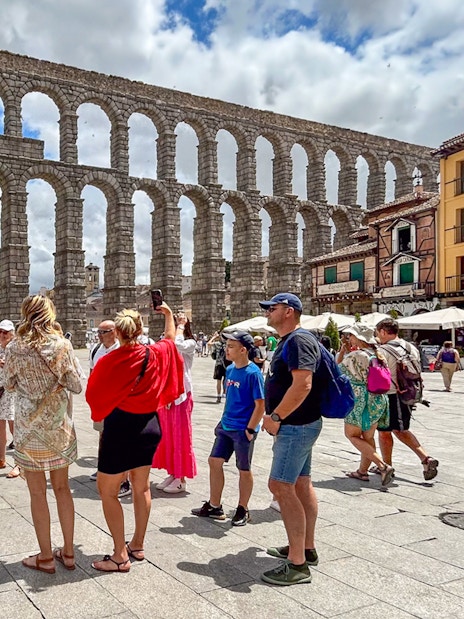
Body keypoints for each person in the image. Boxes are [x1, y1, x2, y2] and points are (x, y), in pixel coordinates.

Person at [86, 305, 184, 572]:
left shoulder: (109, 360)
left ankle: (119, 555)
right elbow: (170, 340)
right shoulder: (154, 353)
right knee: (142, 488)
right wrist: (167, 316)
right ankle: (138, 544)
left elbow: (93, 394)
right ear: (140, 331)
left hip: (120, 427)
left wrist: (106, 407)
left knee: (107, 491)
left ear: (117, 332)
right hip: (149, 425)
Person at [3, 295, 83, 574]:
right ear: (50, 314)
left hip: (27, 431)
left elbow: (9, 385)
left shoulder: (13, 347)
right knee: (62, 489)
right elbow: (75, 385)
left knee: (37, 493)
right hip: (58, 427)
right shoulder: (62, 345)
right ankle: (70, 553)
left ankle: (46, 556)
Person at [259, 292, 322, 586]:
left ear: (288, 311)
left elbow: (303, 384)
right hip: (300, 424)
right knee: (300, 483)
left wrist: (276, 417)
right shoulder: (291, 341)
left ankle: (297, 565)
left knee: (280, 486)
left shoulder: (298, 340)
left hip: (295, 425)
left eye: (272, 308)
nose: (267, 312)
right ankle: (305, 549)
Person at [191, 330, 264, 526]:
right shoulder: (230, 369)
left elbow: (260, 404)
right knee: (214, 461)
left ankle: (243, 508)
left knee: (244, 469)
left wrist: (250, 429)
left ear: (243, 350)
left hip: (243, 429)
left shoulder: (253, 373)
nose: (226, 349)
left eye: (231, 346)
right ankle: (215, 505)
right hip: (226, 425)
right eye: (226, 345)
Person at [375, 318, 439, 481]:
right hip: (409, 393)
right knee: (400, 429)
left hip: (391, 395)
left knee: (385, 432)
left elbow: (381, 377)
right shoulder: (411, 347)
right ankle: (424, 459)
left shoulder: (383, 350)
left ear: (383, 331)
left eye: (378, 332)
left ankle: (387, 465)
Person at [337, 324, 394, 486]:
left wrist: (342, 352)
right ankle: (362, 471)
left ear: (359, 338)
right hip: (378, 399)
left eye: (352, 336)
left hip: (360, 399)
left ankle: (383, 466)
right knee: (368, 437)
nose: (349, 338)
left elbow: (337, 370)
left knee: (352, 435)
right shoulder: (378, 354)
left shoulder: (356, 355)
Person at [153, 314, 197, 493]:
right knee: (168, 437)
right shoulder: (171, 342)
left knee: (180, 436)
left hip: (182, 396)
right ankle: (173, 472)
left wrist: (178, 324)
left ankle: (181, 478)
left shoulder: (190, 343)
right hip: (168, 396)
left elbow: (176, 343)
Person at [88, 321, 128, 496]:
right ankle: (104, 467)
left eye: (104, 331)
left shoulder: (123, 349)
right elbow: (91, 373)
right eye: (99, 331)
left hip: (119, 403)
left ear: (115, 332)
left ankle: (124, 480)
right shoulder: (96, 350)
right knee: (102, 436)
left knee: (120, 440)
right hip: (102, 402)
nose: (99, 335)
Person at [0, 320, 20, 478]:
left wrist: (6, 365)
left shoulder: (17, 349)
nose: (2, 335)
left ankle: (20, 464)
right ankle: (1, 459)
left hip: (12, 392)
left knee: (15, 427)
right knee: (0, 426)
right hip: (1, 392)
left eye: (5, 332)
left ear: (12, 333)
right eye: (0, 331)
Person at [210, 332, 231, 403]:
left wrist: (214, 337)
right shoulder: (228, 345)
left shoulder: (217, 344)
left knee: (218, 381)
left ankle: (218, 395)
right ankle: (224, 393)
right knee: (226, 380)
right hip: (228, 364)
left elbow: (209, 343)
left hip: (218, 364)